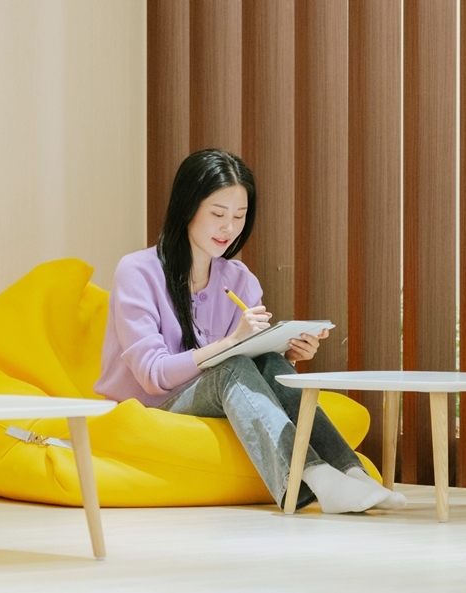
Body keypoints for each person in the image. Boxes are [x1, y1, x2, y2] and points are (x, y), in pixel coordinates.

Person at [94, 148, 406, 513]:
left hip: (213, 395)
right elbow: (153, 375)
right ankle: (315, 477)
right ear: (187, 207)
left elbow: (249, 363)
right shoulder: (137, 271)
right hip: (151, 405)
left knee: (272, 363)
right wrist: (232, 342)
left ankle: (353, 474)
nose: (229, 227)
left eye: (239, 216)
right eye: (218, 214)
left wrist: (288, 352)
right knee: (232, 367)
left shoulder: (240, 279)